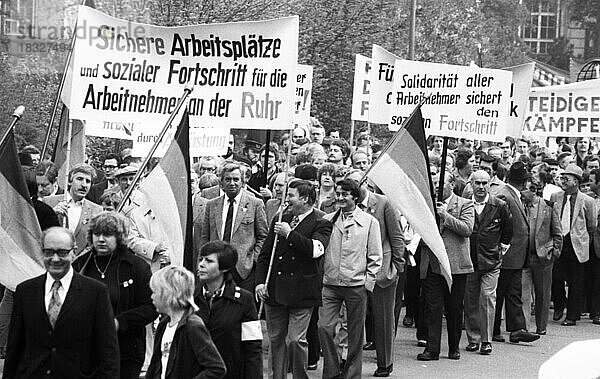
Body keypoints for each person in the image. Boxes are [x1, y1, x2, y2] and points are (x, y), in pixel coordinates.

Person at [3, 227, 119, 378]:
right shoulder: (25, 291)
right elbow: (15, 347)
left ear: (74, 252)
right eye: (49, 252)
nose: (55, 259)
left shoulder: (95, 292)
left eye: (62, 252)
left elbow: (108, 351)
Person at [255, 180, 332, 378]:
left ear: (305, 199)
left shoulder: (321, 221)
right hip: (275, 290)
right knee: (276, 339)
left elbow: (316, 250)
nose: (286, 199)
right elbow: (265, 255)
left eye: (291, 195)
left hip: (302, 292)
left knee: (296, 340)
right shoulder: (281, 218)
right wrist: (260, 282)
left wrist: (289, 234)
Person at [73, 212, 157, 379]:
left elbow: (151, 307)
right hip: (87, 350)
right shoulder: (81, 265)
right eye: (97, 234)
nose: (101, 239)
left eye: (108, 234)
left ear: (119, 237)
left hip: (125, 351)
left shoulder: (136, 267)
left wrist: (119, 322)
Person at [318, 179, 382, 379]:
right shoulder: (327, 220)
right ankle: (331, 372)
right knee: (325, 328)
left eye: (345, 194)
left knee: (355, 335)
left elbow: (375, 256)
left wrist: (367, 283)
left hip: (356, 285)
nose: (340, 197)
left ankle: (352, 374)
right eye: (338, 193)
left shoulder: (370, 222)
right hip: (330, 284)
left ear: (355, 196)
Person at [346, 170, 404, 377]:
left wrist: (397, 267)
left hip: (382, 269)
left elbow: (397, 237)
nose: (350, 191)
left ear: (364, 184)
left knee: (383, 318)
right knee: (353, 319)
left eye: (355, 185)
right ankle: (350, 362)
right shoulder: (345, 205)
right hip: (354, 269)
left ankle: (385, 362)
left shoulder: (383, 203)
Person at [417, 173, 474, 361]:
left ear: (451, 184)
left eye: (439, 183)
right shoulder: (427, 204)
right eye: (433, 184)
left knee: (454, 308)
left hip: (455, 265)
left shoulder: (465, 204)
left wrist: (445, 215)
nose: (436, 187)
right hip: (433, 263)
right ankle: (432, 348)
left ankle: (453, 347)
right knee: (433, 307)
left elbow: (467, 229)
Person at [195, 241, 262, 378]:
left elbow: (253, 349)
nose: (201, 264)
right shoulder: (189, 299)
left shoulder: (244, 300)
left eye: (209, 261)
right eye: (201, 259)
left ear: (224, 267)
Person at [145, 265, 226, 379]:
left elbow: (216, 368)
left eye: (155, 291)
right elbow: (156, 366)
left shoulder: (193, 326)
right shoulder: (163, 325)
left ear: (168, 293)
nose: (152, 297)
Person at [200, 162, 269, 293]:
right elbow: (205, 237)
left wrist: (251, 259)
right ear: (221, 183)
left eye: (236, 179)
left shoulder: (255, 204)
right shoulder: (212, 205)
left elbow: (263, 236)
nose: (232, 183)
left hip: (243, 270)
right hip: (216, 267)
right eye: (228, 179)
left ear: (243, 182)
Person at [464, 170, 512, 355]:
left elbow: (508, 230)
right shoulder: (466, 204)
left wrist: (502, 247)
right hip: (470, 260)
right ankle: (473, 339)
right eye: (478, 183)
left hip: (491, 261)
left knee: (487, 297)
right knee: (470, 301)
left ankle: (486, 340)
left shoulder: (499, 205)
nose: (481, 187)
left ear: (490, 184)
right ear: (471, 184)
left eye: (485, 183)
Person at [493, 162, 541, 343]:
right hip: (507, 253)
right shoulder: (505, 195)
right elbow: (498, 224)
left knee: (513, 292)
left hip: (515, 255)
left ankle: (516, 329)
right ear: (523, 181)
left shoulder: (513, 194)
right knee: (500, 292)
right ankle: (495, 328)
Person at [551, 164, 597, 326]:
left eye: (566, 179)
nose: (562, 181)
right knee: (555, 277)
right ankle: (559, 304)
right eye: (562, 178)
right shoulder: (555, 197)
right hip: (559, 243)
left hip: (577, 245)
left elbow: (591, 226)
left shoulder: (588, 201)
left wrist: (582, 240)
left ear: (576, 182)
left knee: (576, 281)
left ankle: (572, 316)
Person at [521, 187, 562, 335]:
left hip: (543, 257)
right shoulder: (519, 205)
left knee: (543, 293)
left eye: (524, 189)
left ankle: (541, 326)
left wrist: (554, 252)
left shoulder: (549, 206)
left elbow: (557, 232)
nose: (521, 192)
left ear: (533, 190)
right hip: (524, 256)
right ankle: (524, 327)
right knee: (523, 294)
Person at [43, 163, 103, 255]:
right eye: (79, 179)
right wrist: (52, 213)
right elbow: (38, 231)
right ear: (69, 181)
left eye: (88, 181)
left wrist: (77, 260)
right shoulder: (49, 202)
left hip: (79, 265)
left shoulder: (97, 210)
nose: (84, 185)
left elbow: (94, 242)